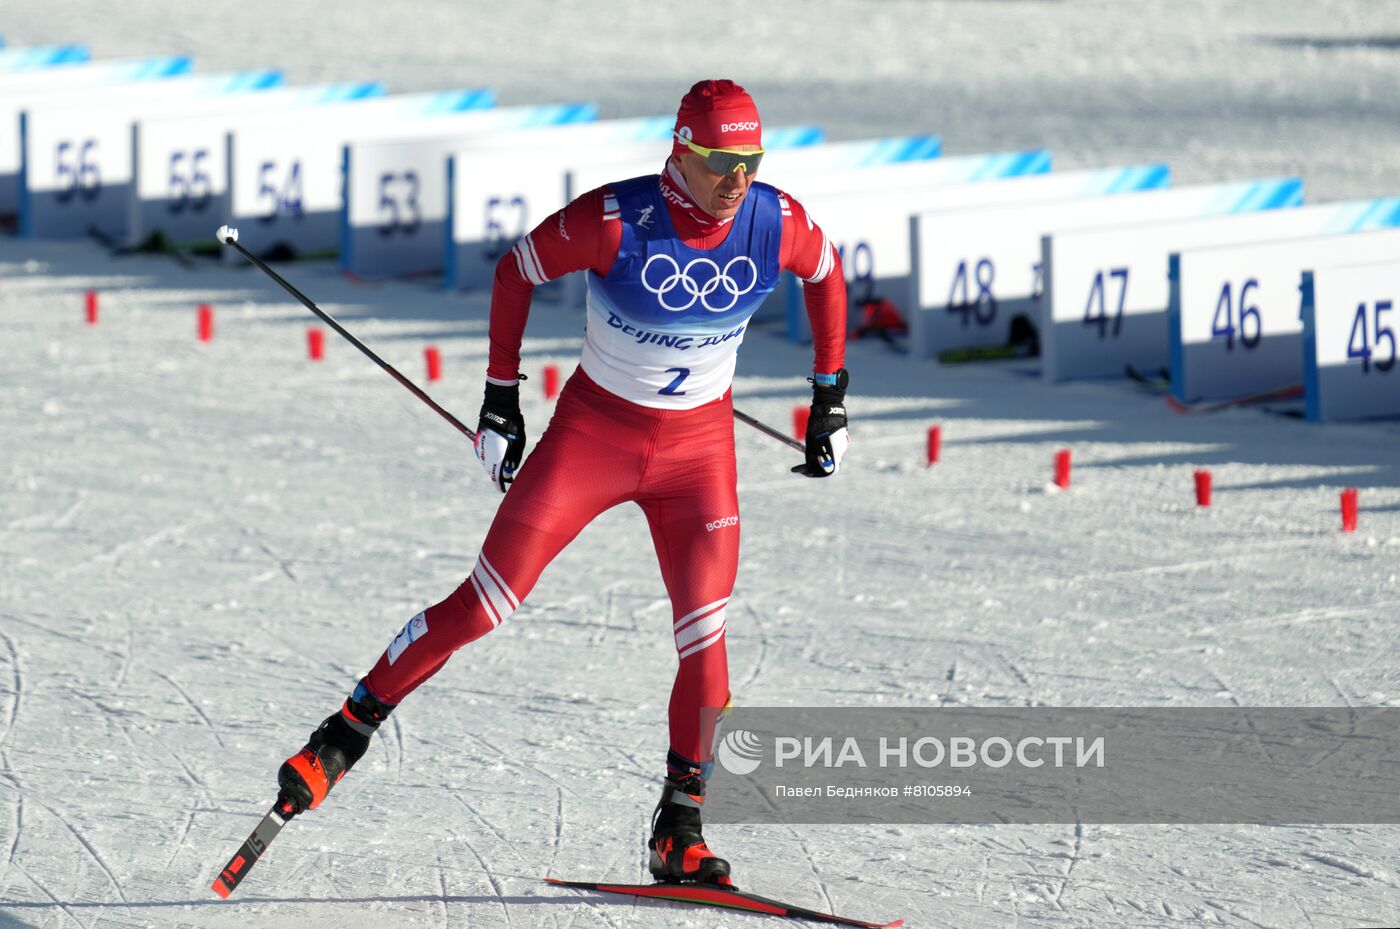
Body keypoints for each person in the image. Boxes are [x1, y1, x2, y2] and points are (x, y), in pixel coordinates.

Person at [275, 79, 849, 887]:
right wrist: (500, 397)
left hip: (698, 457)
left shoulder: (775, 220)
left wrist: (831, 393)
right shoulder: (614, 220)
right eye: (722, 160)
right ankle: (344, 731)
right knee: (484, 603)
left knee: (707, 637)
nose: (738, 178)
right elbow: (517, 271)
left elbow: (828, 274)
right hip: (594, 437)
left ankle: (679, 826)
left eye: (751, 160)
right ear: (682, 151)